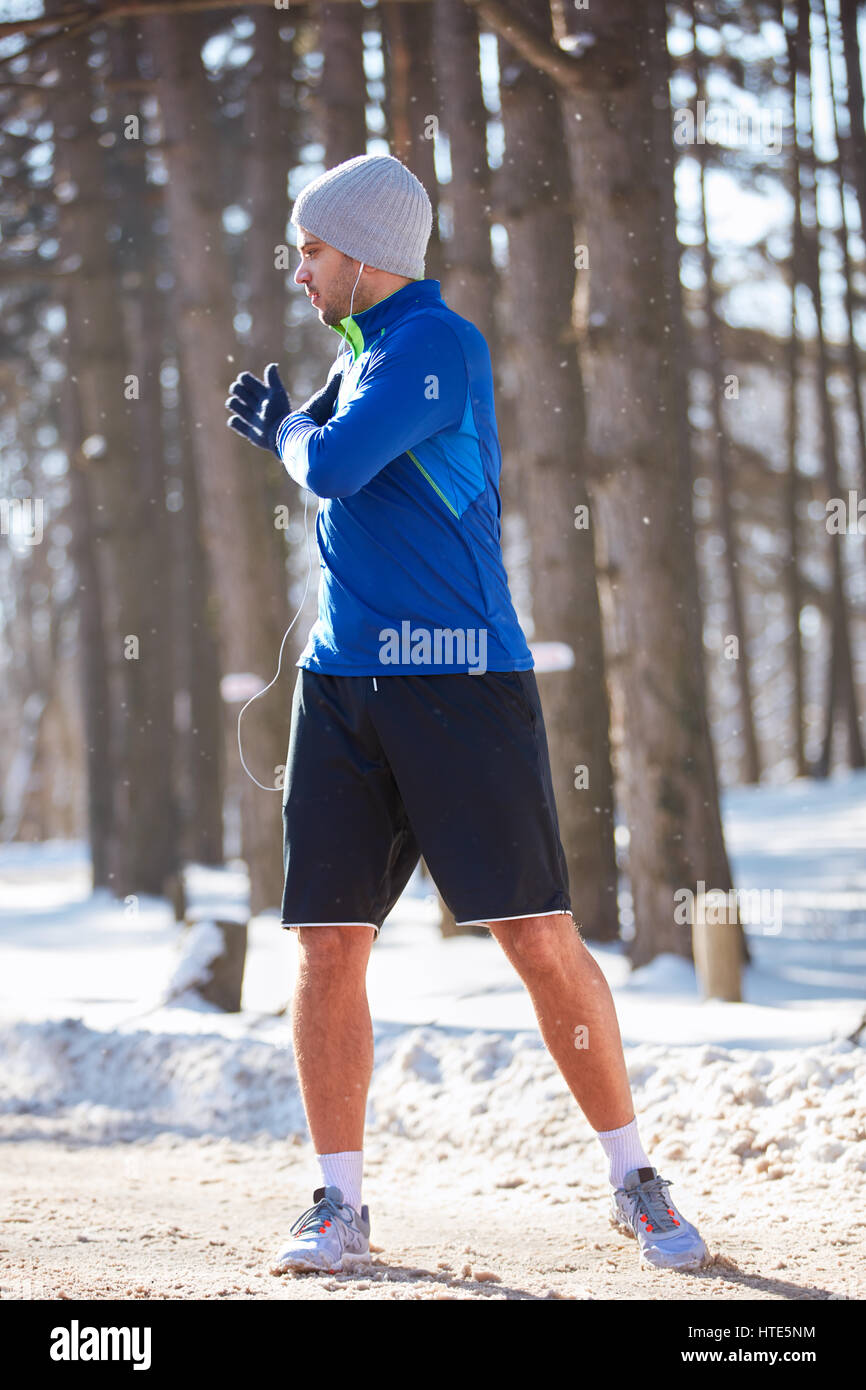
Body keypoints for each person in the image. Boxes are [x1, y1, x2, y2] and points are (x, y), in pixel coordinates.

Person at [225, 154, 709, 1277]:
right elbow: (337, 458)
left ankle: (631, 1174)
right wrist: (303, 424)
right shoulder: (361, 354)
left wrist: (285, 436)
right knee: (326, 944)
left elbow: (336, 467)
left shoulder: (434, 344)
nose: (297, 269)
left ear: (365, 255)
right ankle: (335, 1201)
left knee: (534, 934)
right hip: (344, 692)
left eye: (310, 250)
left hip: (458, 683)